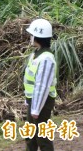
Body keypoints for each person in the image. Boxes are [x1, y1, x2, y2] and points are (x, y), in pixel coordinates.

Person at [24, 18, 57, 151]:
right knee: (30, 135)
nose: (30, 38)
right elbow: (31, 81)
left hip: (42, 102)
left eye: (32, 35)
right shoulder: (36, 54)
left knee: (42, 137)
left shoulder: (46, 58)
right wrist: (28, 101)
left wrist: (36, 109)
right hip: (34, 101)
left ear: (37, 37)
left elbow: (42, 86)